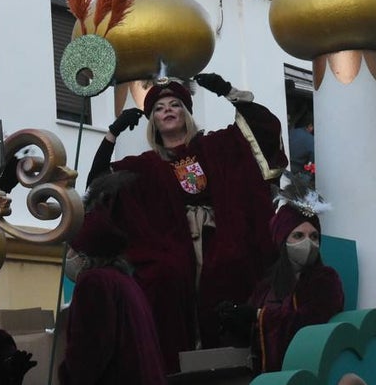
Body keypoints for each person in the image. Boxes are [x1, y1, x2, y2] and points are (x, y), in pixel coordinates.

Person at [86, 73, 286, 373]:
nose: (167, 109)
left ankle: (228, 361)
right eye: (158, 107)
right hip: (172, 243)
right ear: (153, 121)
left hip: (219, 235)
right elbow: (98, 186)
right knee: (166, 279)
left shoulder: (216, 146)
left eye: (175, 104)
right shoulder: (145, 166)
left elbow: (264, 131)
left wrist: (228, 92)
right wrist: (111, 135)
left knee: (228, 272)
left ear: (186, 113)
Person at [218, 181, 344, 373]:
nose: (308, 243)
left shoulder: (326, 280)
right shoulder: (267, 284)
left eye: (314, 236)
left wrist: (258, 316)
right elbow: (255, 336)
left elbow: (309, 323)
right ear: (282, 240)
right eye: (299, 235)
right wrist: (236, 320)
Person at [59, 174, 167, 385]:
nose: (68, 254)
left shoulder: (95, 283)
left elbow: (86, 360)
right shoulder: (126, 282)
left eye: (71, 248)